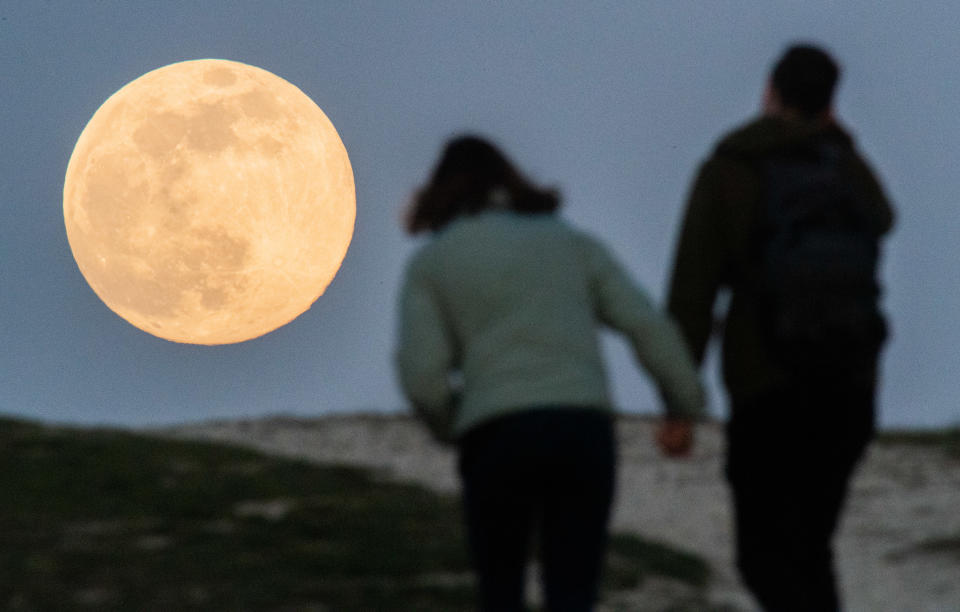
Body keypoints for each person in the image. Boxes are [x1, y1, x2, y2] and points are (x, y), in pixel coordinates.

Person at [396, 135, 705, 612]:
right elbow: (646, 325)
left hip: (494, 436)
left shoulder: (432, 263)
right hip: (581, 429)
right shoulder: (572, 244)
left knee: (500, 591)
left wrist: (453, 425)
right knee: (574, 590)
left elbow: (422, 378)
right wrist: (683, 406)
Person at [666, 44, 895, 611]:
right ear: (831, 102)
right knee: (811, 548)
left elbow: (693, 290)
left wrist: (678, 399)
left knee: (763, 556)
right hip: (850, 383)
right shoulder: (842, 167)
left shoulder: (729, 170)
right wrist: (839, 139)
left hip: (766, 383)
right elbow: (884, 217)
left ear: (770, 91)